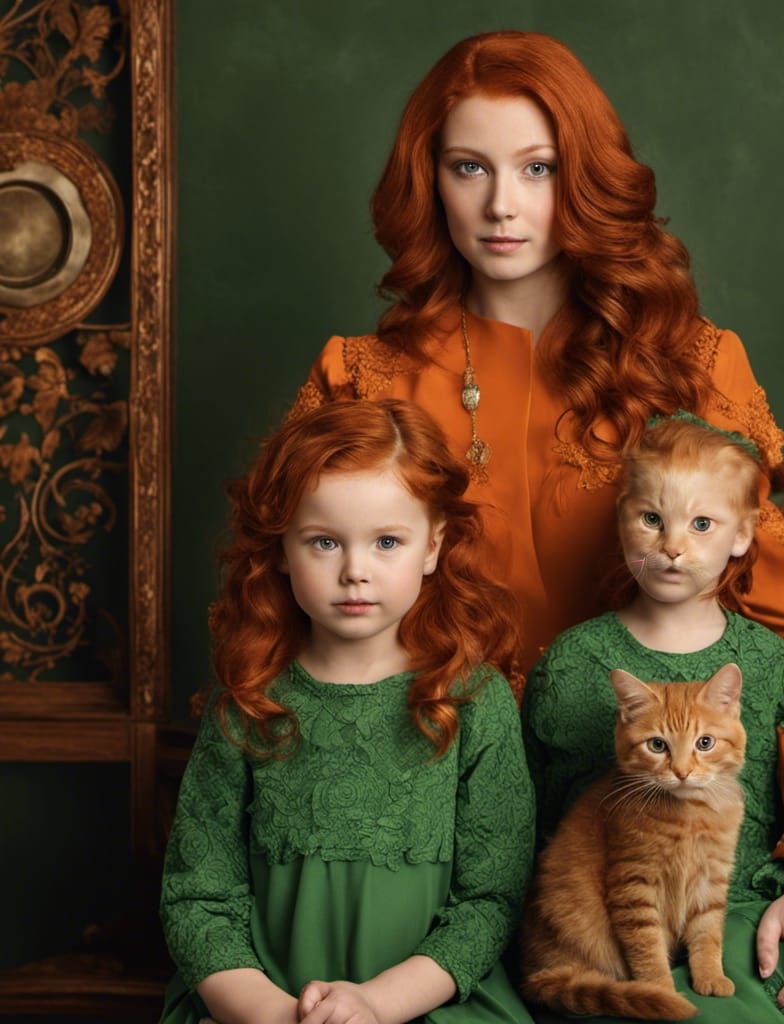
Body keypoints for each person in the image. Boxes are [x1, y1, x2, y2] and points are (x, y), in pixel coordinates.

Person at [290, 29, 784, 1017]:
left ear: (586, 178)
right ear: (428, 179)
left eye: (539, 167)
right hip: (427, 824)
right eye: (468, 167)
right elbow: (294, 624)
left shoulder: (696, 366)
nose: (501, 204)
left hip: (658, 827)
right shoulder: (362, 376)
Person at [523, 412, 784, 1022]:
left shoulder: (774, 662)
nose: (672, 546)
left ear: (742, 535)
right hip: (610, 916)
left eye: (701, 524)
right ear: (623, 516)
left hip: (753, 909)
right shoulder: (574, 663)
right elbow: (542, 822)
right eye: (651, 519)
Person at [159, 400, 535, 1024]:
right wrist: (271, 1013)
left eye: (387, 541)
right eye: (324, 542)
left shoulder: (473, 699)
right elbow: (197, 897)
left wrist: (379, 1005)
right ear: (280, 549)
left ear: (433, 546)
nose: (355, 572)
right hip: (260, 1002)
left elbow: (491, 900)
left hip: (428, 1003)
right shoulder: (249, 701)